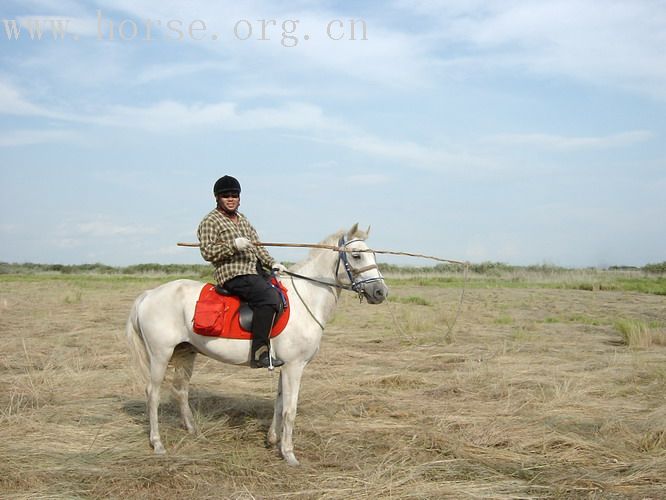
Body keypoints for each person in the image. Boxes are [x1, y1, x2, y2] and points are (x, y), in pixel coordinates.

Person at [197, 175, 287, 368]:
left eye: (234, 195)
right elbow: (207, 251)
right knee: (268, 297)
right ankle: (260, 353)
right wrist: (233, 245)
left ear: (239, 198)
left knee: (283, 291)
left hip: (254, 271)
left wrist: (273, 263)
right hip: (233, 274)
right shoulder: (210, 221)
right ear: (217, 198)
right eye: (226, 195)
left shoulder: (243, 220)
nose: (230, 199)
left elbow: (258, 247)